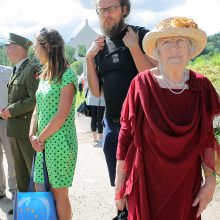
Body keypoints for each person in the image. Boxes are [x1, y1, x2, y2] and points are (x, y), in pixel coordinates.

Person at [115, 16, 220, 220]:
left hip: (186, 187)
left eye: (180, 41)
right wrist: (120, 184)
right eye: (167, 42)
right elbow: (125, 138)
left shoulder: (203, 87)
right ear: (157, 52)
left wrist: (210, 181)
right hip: (144, 183)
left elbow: (210, 138)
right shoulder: (141, 85)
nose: (174, 48)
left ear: (190, 50)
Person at [86, 0, 156, 188]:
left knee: (143, 185)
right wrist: (89, 58)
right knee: (119, 186)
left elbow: (156, 77)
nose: (106, 14)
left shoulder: (142, 35)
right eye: (101, 10)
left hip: (142, 126)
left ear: (124, 9)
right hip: (112, 126)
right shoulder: (99, 45)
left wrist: (134, 47)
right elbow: (96, 91)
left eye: (112, 9)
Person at [29, 27, 78, 220]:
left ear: (47, 46)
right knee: (40, 191)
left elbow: (61, 115)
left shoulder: (67, 75)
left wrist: (39, 138)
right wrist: (32, 135)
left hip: (59, 143)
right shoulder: (44, 75)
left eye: (36, 46)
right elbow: (37, 109)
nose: (35, 51)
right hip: (41, 143)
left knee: (59, 194)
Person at [2, 33, 39, 194]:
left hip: (26, 130)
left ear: (18, 49)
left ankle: (41, 210)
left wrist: (12, 109)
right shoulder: (18, 69)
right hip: (16, 130)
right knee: (21, 174)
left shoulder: (31, 69)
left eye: (8, 47)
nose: (6, 52)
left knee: (33, 173)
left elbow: (35, 99)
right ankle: (25, 209)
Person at [0, 65, 17, 201]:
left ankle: (15, 190)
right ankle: (0, 190)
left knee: (12, 157)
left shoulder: (9, 71)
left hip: (7, 120)